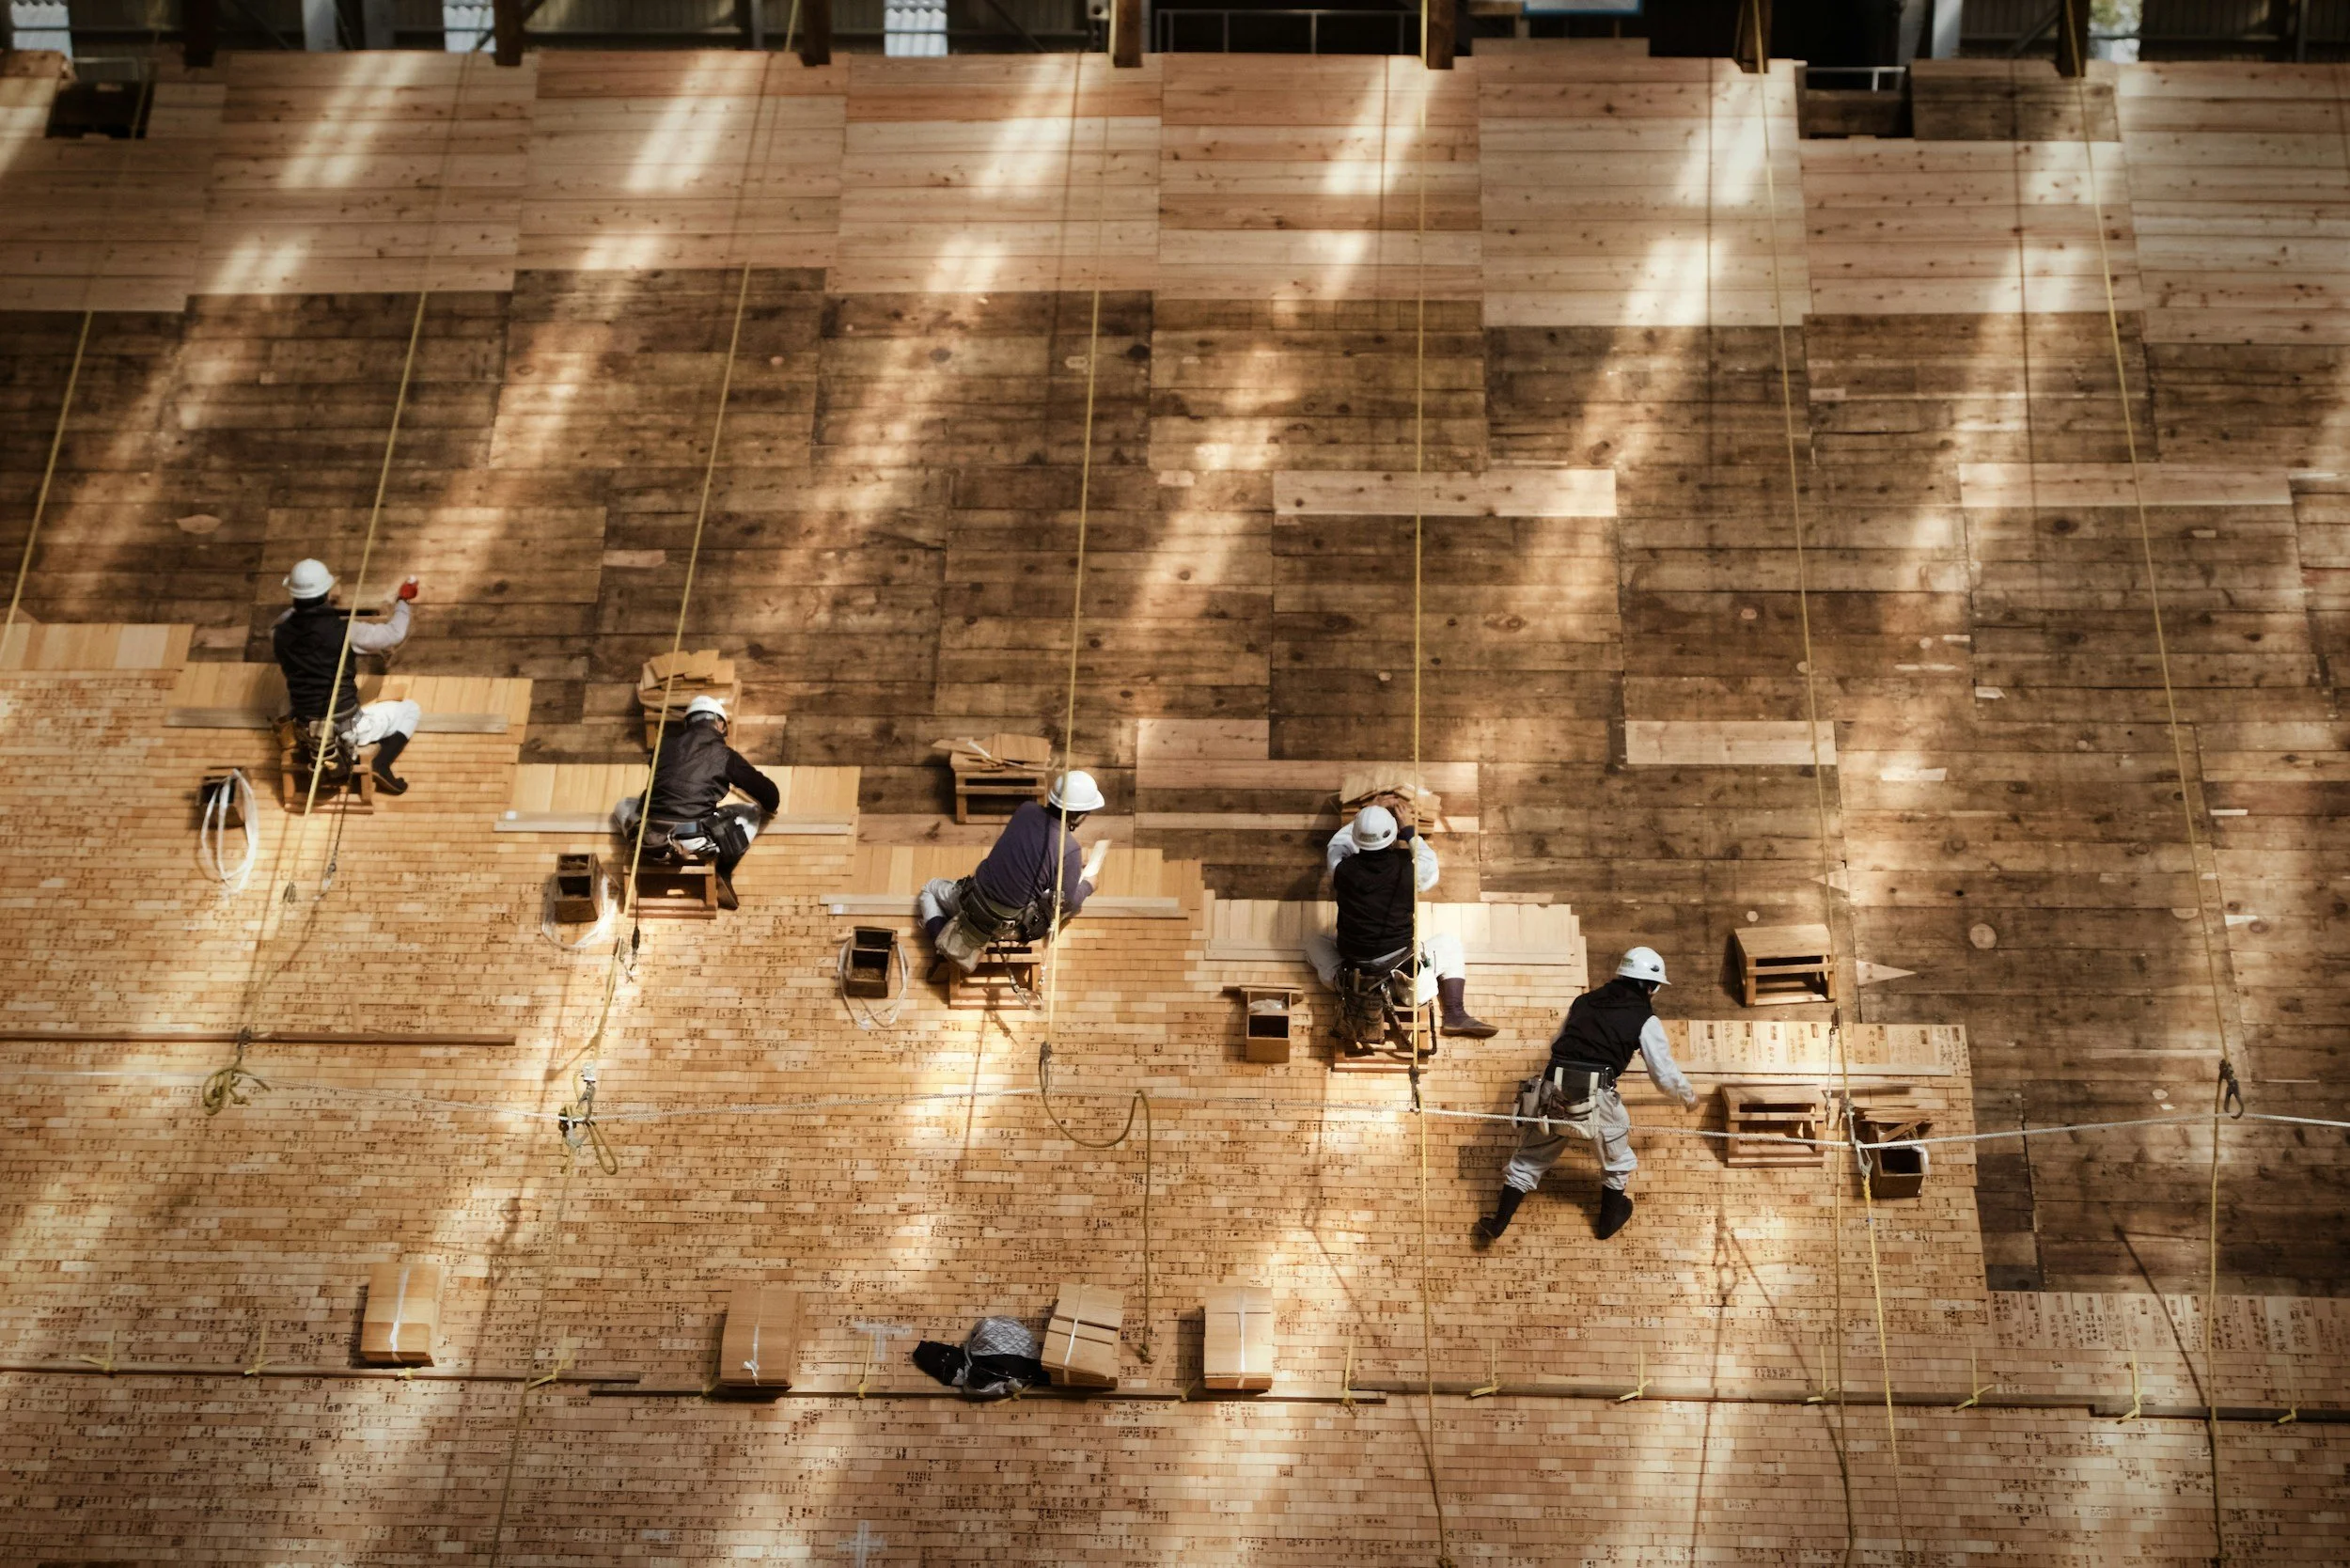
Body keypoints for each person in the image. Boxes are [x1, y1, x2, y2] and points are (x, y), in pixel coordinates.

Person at [1476, 946, 1699, 1244]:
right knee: (1617, 1160)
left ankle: (1499, 1222)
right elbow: (1663, 1074)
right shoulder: (1646, 1019)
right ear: (1652, 985)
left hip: (1551, 1091)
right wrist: (1687, 1096)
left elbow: (1559, 1041)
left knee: (1530, 1157)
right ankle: (1608, 1222)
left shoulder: (1583, 1002)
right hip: (1597, 1097)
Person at [1305, 802, 1496, 1040]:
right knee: (1450, 944)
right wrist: (1407, 827)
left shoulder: (1341, 870)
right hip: (1409, 985)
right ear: (1392, 836)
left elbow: (1336, 845)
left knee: (1315, 944)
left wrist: (1362, 819)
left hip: (1354, 977)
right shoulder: (1409, 870)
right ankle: (1455, 1013)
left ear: (1357, 838)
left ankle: (1363, 991)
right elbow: (1430, 866)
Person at [919, 771, 1107, 973]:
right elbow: (1065, 903)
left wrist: (1069, 864)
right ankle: (952, 942)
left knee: (929, 889)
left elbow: (1028, 850)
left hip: (969, 902)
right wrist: (1088, 886)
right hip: (1003, 926)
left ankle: (939, 935)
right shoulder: (1070, 849)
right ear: (1081, 814)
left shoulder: (1026, 810)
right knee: (1056, 903)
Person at [272, 557, 421, 795]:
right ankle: (382, 764)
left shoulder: (279, 633)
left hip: (303, 726)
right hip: (348, 728)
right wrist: (404, 601)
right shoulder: (345, 631)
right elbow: (393, 634)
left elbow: (290, 617)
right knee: (410, 710)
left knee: (284, 699)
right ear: (326, 592)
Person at [614, 695, 777, 911]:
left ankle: (657, 845)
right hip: (695, 842)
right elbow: (770, 796)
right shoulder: (725, 755)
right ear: (719, 724)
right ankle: (724, 869)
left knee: (623, 804)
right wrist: (767, 805)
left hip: (654, 836)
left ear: (688, 722)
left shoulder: (662, 746)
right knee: (752, 811)